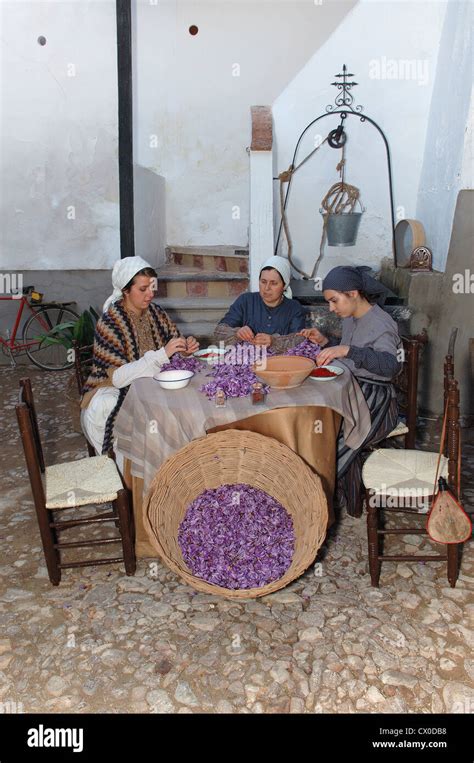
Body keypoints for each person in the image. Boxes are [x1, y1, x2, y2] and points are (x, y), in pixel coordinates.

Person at [300, 265, 402, 515]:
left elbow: (390, 366)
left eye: (334, 301)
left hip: (377, 400)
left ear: (353, 293)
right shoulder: (352, 318)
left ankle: (321, 504)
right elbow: (354, 349)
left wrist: (346, 351)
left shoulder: (381, 323)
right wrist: (327, 343)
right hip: (355, 390)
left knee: (338, 441)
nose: (332, 309)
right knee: (321, 429)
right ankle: (346, 498)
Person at [81, 256, 199, 464]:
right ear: (125, 290)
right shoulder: (110, 323)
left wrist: (184, 349)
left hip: (149, 389)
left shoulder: (156, 313)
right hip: (110, 397)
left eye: (152, 288)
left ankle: (170, 469)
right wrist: (163, 354)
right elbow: (118, 378)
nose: (150, 295)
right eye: (143, 289)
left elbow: (174, 347)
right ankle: (132, 482)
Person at [213, 256, 306, 353]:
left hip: (280, 363)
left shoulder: (294, 308)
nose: (267, 288)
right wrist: (236, 333)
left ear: (284, 285)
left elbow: (300, 340)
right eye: (263, 282)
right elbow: (218, 333)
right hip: (246, 362)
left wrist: (274, 341)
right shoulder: (246, 301)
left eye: (273, 283)